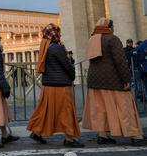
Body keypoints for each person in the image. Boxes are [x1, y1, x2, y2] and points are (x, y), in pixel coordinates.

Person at [82, 18, 146, 146]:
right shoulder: (112, 39)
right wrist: (126, 79)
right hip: (112, 80)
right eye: (113, 25)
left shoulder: (92, 39)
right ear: (109, 27)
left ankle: (102, 136)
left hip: (94, 80)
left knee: (101, 109)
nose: (114, 28)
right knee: (125, 107)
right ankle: (135, 135)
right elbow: (120, 61)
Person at [27, 23, 83, 148]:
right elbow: (66, 65)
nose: (60, 34)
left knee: (46, 111)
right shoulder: (57, 48)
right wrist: (72, 72)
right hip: (60, 85)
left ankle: (37, 132)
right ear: (54, 33)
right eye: (58, 32)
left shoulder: (45, 46)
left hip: (48, 85)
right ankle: (69, 139)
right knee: (66, 111)